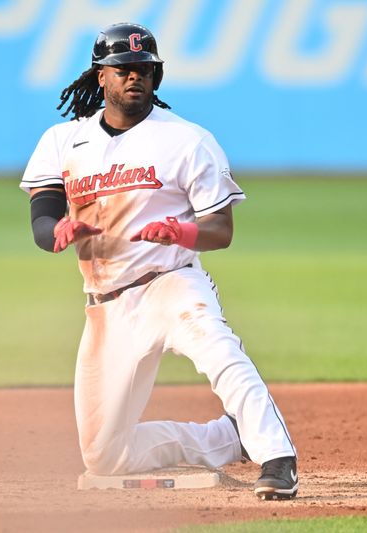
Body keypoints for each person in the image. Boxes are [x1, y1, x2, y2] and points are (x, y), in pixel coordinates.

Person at [19, 22, 297, 500]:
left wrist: (182, 231)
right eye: (123, 68)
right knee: (106, 456)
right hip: (105, 306)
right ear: (100, 77)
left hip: (171, 282)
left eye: (145, 68)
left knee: (220, 351)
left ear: (156, 76)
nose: (135, 77)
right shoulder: (63, 141)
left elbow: (221, 230)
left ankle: (277, 458)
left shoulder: (187, 140)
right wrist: (57, 232)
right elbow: (42, 216)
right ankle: (225, 438)